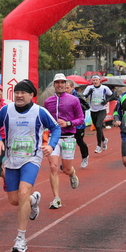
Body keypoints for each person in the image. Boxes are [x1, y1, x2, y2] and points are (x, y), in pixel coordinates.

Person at [0, 79, 60, 252]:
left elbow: (56, 128)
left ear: (31, 95)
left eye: (23, 93)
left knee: (22, 192)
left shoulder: (40, 111)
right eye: (17, 92)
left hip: (32, 159)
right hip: (12, 159)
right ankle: (33, 200)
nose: (19, 95)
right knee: (15, 200)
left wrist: (51, 145)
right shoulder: (6, 110)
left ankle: (20, 238)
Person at [44, 73, 84, 209]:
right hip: (53, 138)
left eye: (62, 82)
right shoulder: (48, 101)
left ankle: (72, 174)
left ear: (66, 84)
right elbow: (44, 120)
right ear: (54, 85)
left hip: (68, 137)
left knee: (66, 169)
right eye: (57, 83)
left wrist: (67, 123)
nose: (60, 85)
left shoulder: (73, 100)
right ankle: (56, 198)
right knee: (53, 167)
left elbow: (81, 119)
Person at [82, 75, 113, 153]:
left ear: (100, 81)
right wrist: (89, 93)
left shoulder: (104, 88)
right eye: (93, 80)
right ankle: (104, 139)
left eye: (96, 80)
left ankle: (98, 146)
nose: (95, 82)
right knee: (97, 127)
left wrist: (106, 100)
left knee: (99, 126)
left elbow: (113, 96)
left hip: (102, 110)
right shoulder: (89, 88)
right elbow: (83, 97)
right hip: (93, 111)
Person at [65, 79, 90, 168]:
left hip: (78, 124)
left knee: (79, 141)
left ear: (73, 88)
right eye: (64, 88)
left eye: (67, 88)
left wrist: (76, 104)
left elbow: (87, 106)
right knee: (67, 142)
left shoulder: (79, 96)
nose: (65, 90)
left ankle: (85, 156)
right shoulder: (62, 97)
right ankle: (65, 162)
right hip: (68, 123)